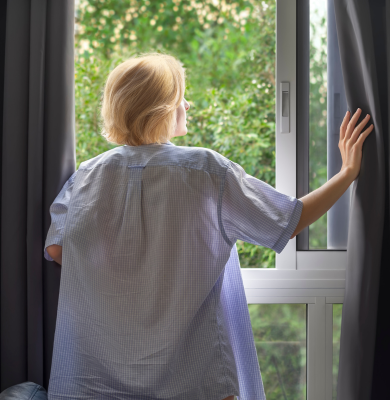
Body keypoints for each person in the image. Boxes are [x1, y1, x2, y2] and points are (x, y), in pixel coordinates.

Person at [44, 52, 372, 400]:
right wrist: (347, 173)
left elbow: (57, 249)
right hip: (194, 381)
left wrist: (128, 273)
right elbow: (288, 221)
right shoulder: (205, 171)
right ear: (163, 108)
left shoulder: (86, 177)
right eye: (180, 95)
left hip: (95, 383)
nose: (187, 103)